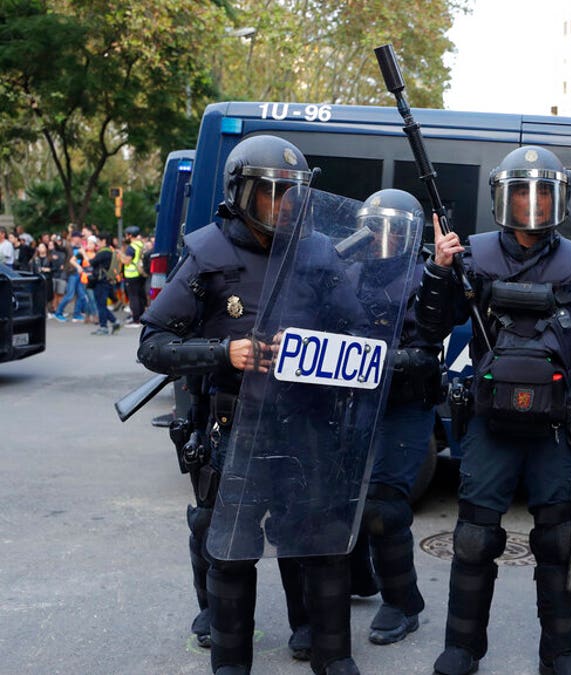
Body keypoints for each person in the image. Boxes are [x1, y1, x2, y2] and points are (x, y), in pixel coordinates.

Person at [137, 135, 363, 674]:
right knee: (231, 549)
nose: (283, 204)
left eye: (292, 193)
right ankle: (231, 663)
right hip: (236, 425)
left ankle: (331, 655)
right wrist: (225, 351)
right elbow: (153, 344)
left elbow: (355, 325)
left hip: (306, 424)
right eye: (270, 193)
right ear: (242, 195)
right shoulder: (210, 253)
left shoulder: (316, 251)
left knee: (321, 545)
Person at [415, 145, 571, 675]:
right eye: (520, 195)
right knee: (473, 537)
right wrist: (440, 271)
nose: (531, 207)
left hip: (555, 426)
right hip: (490, 421)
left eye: (542, 196)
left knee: (559, 542)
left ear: (561, 201)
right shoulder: (471, 255)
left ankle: (560, 653)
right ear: (500, 200)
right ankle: (463, 648)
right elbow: (430, 327)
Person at [349, 189, 438, 647]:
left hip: (404, 401)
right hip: (349, 401)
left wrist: (387, 359)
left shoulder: (426, 280)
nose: (383, 239)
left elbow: (429, 343)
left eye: (393, 231)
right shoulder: (346, 271)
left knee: (383, 507)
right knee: (340, 497)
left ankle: (402, 603)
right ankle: (357, 576)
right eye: (375, 229)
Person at [88, 236, 121, 335]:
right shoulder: (109, 251)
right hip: (106, 281)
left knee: (101, 305)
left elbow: (92, 262)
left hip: (101, 282)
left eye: (99, 241)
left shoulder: (104, 252)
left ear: (104, 240)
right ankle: (114, 322)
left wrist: (83, 254)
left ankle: (104, 327)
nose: (97, 243)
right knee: (101, 305)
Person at [54, 233, 87, 322]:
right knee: (70, 295)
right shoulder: (68, 246)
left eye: (81, 237)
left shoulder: (81, 247)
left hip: (80, 273)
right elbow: (60, 248)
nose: (80, 239)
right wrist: (57, 242)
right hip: (72, 273)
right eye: (79, 237)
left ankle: (77, 314)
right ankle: (58, 313)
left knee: (81, 295)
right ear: (74, 238)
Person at [121, 225, 148, 325]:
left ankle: (135, 319)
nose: (125, 236)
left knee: (133, 297)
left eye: (126, 235)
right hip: (140, 273)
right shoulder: (141, 244)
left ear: (130, 235)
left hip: (131, 274)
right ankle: (141, 317)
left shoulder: (131, 247)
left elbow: (127, 261)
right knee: (140, 296)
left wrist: (121, 256)